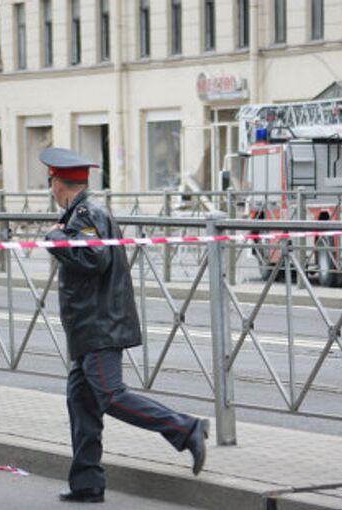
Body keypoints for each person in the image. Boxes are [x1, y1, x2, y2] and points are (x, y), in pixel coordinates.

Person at [41, 147, 209, 504]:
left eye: (50, 182)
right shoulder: (81, 212)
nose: (50, 189)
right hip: (89, 328)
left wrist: (56, 240)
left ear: (58, 183)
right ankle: (87, 483)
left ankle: (185, 428)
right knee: (81, 401)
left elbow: (93, 256)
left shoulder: (85, 214)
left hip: (99, 326)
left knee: (111, 396)